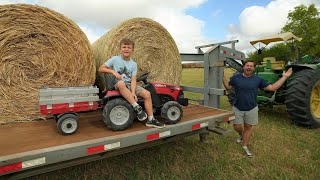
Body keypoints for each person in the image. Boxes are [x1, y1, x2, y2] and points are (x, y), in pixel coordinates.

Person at [223, 60, 292, 157]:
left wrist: (284, 77)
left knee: (248, 127)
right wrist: (222, 77)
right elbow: (228, 87)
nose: (249, 67)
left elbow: (272, 88)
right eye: (247, 65)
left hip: (252, 108)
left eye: (251, 66)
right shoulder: (236, 78)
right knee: (237, 126)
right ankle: (240, 134)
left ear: (254, 68)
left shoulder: (258, 79)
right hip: (237, 107)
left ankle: (245, 145)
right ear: (243, 67)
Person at [98, 37, 165, 129]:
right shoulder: (115, 59)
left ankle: (151, 119)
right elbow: (101, 69)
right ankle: (136, 107)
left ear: (132, 50)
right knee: (121, 83)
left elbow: (133, 80)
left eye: (129, 47)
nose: (126, 49)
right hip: (117, 83)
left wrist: (133, 93)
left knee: (147, 94)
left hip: (129, 84)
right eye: (124, 47)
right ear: (120, 49)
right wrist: (113, 72)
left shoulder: (134, 64)